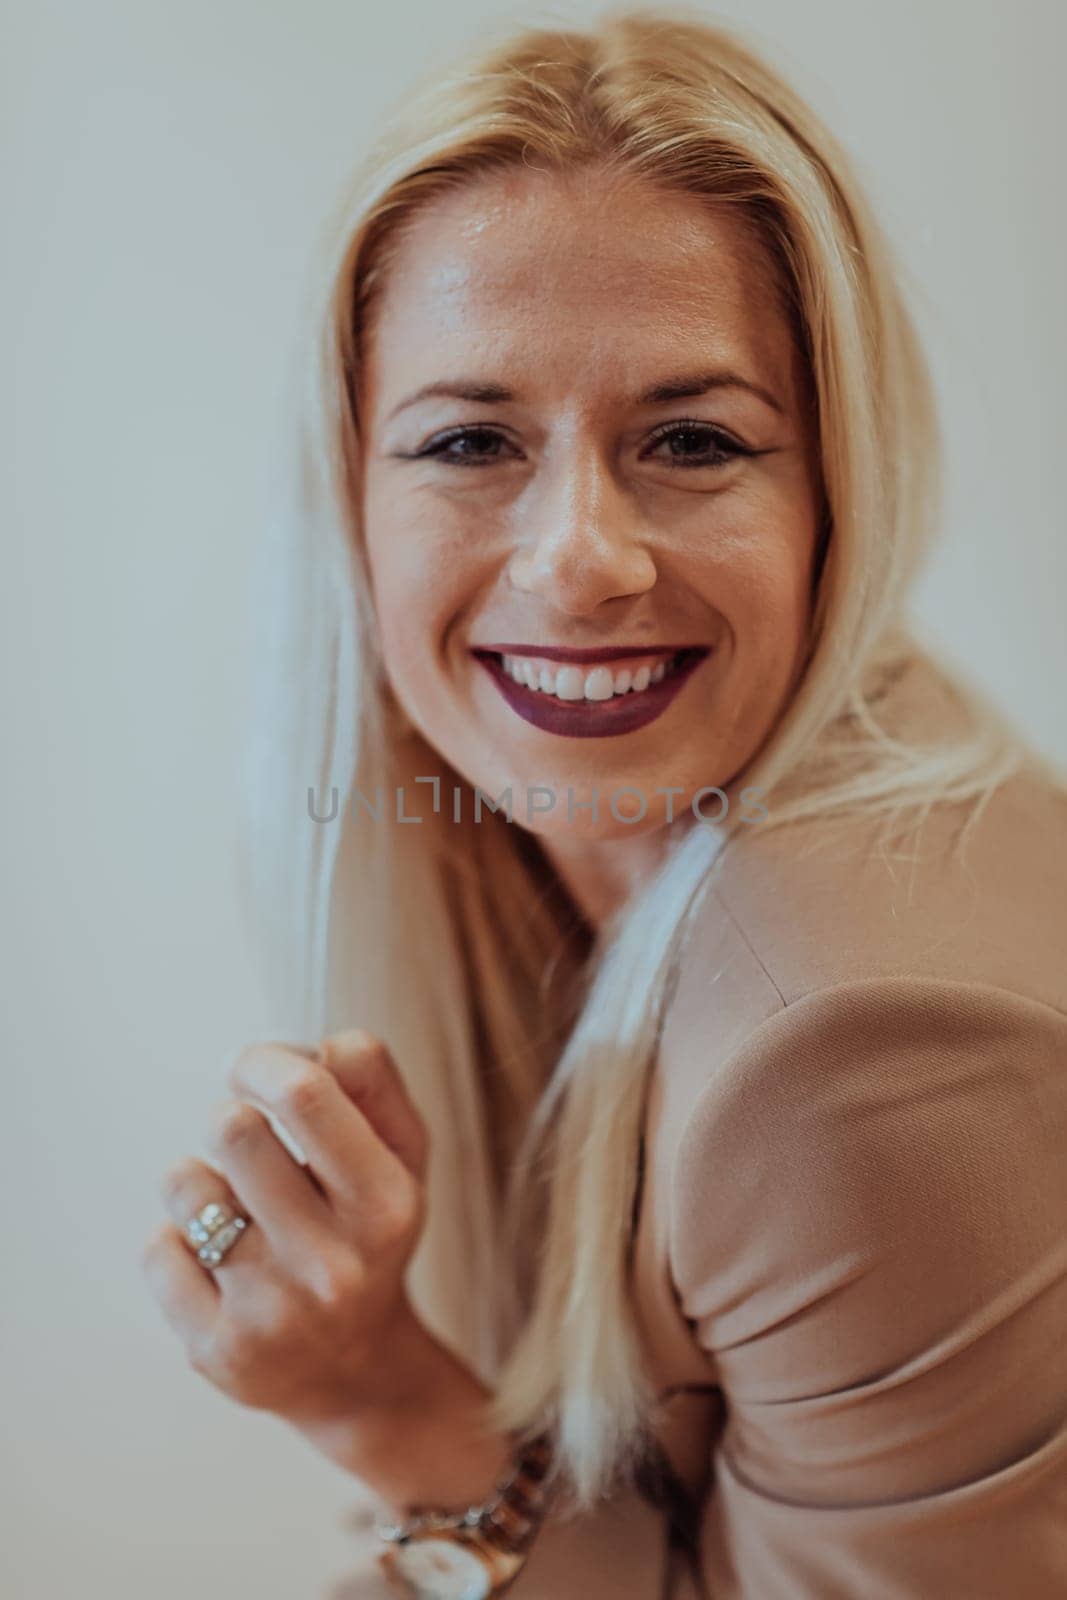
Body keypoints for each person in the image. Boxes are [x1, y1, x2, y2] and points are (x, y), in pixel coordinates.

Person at [139, 8, 1067, 1596]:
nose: (581, 558)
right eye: (472, 439)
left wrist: (385, 1408)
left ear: (837, 489)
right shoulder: (626, 814)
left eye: (694, 439)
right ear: (350, 496)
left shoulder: (844, 1060)